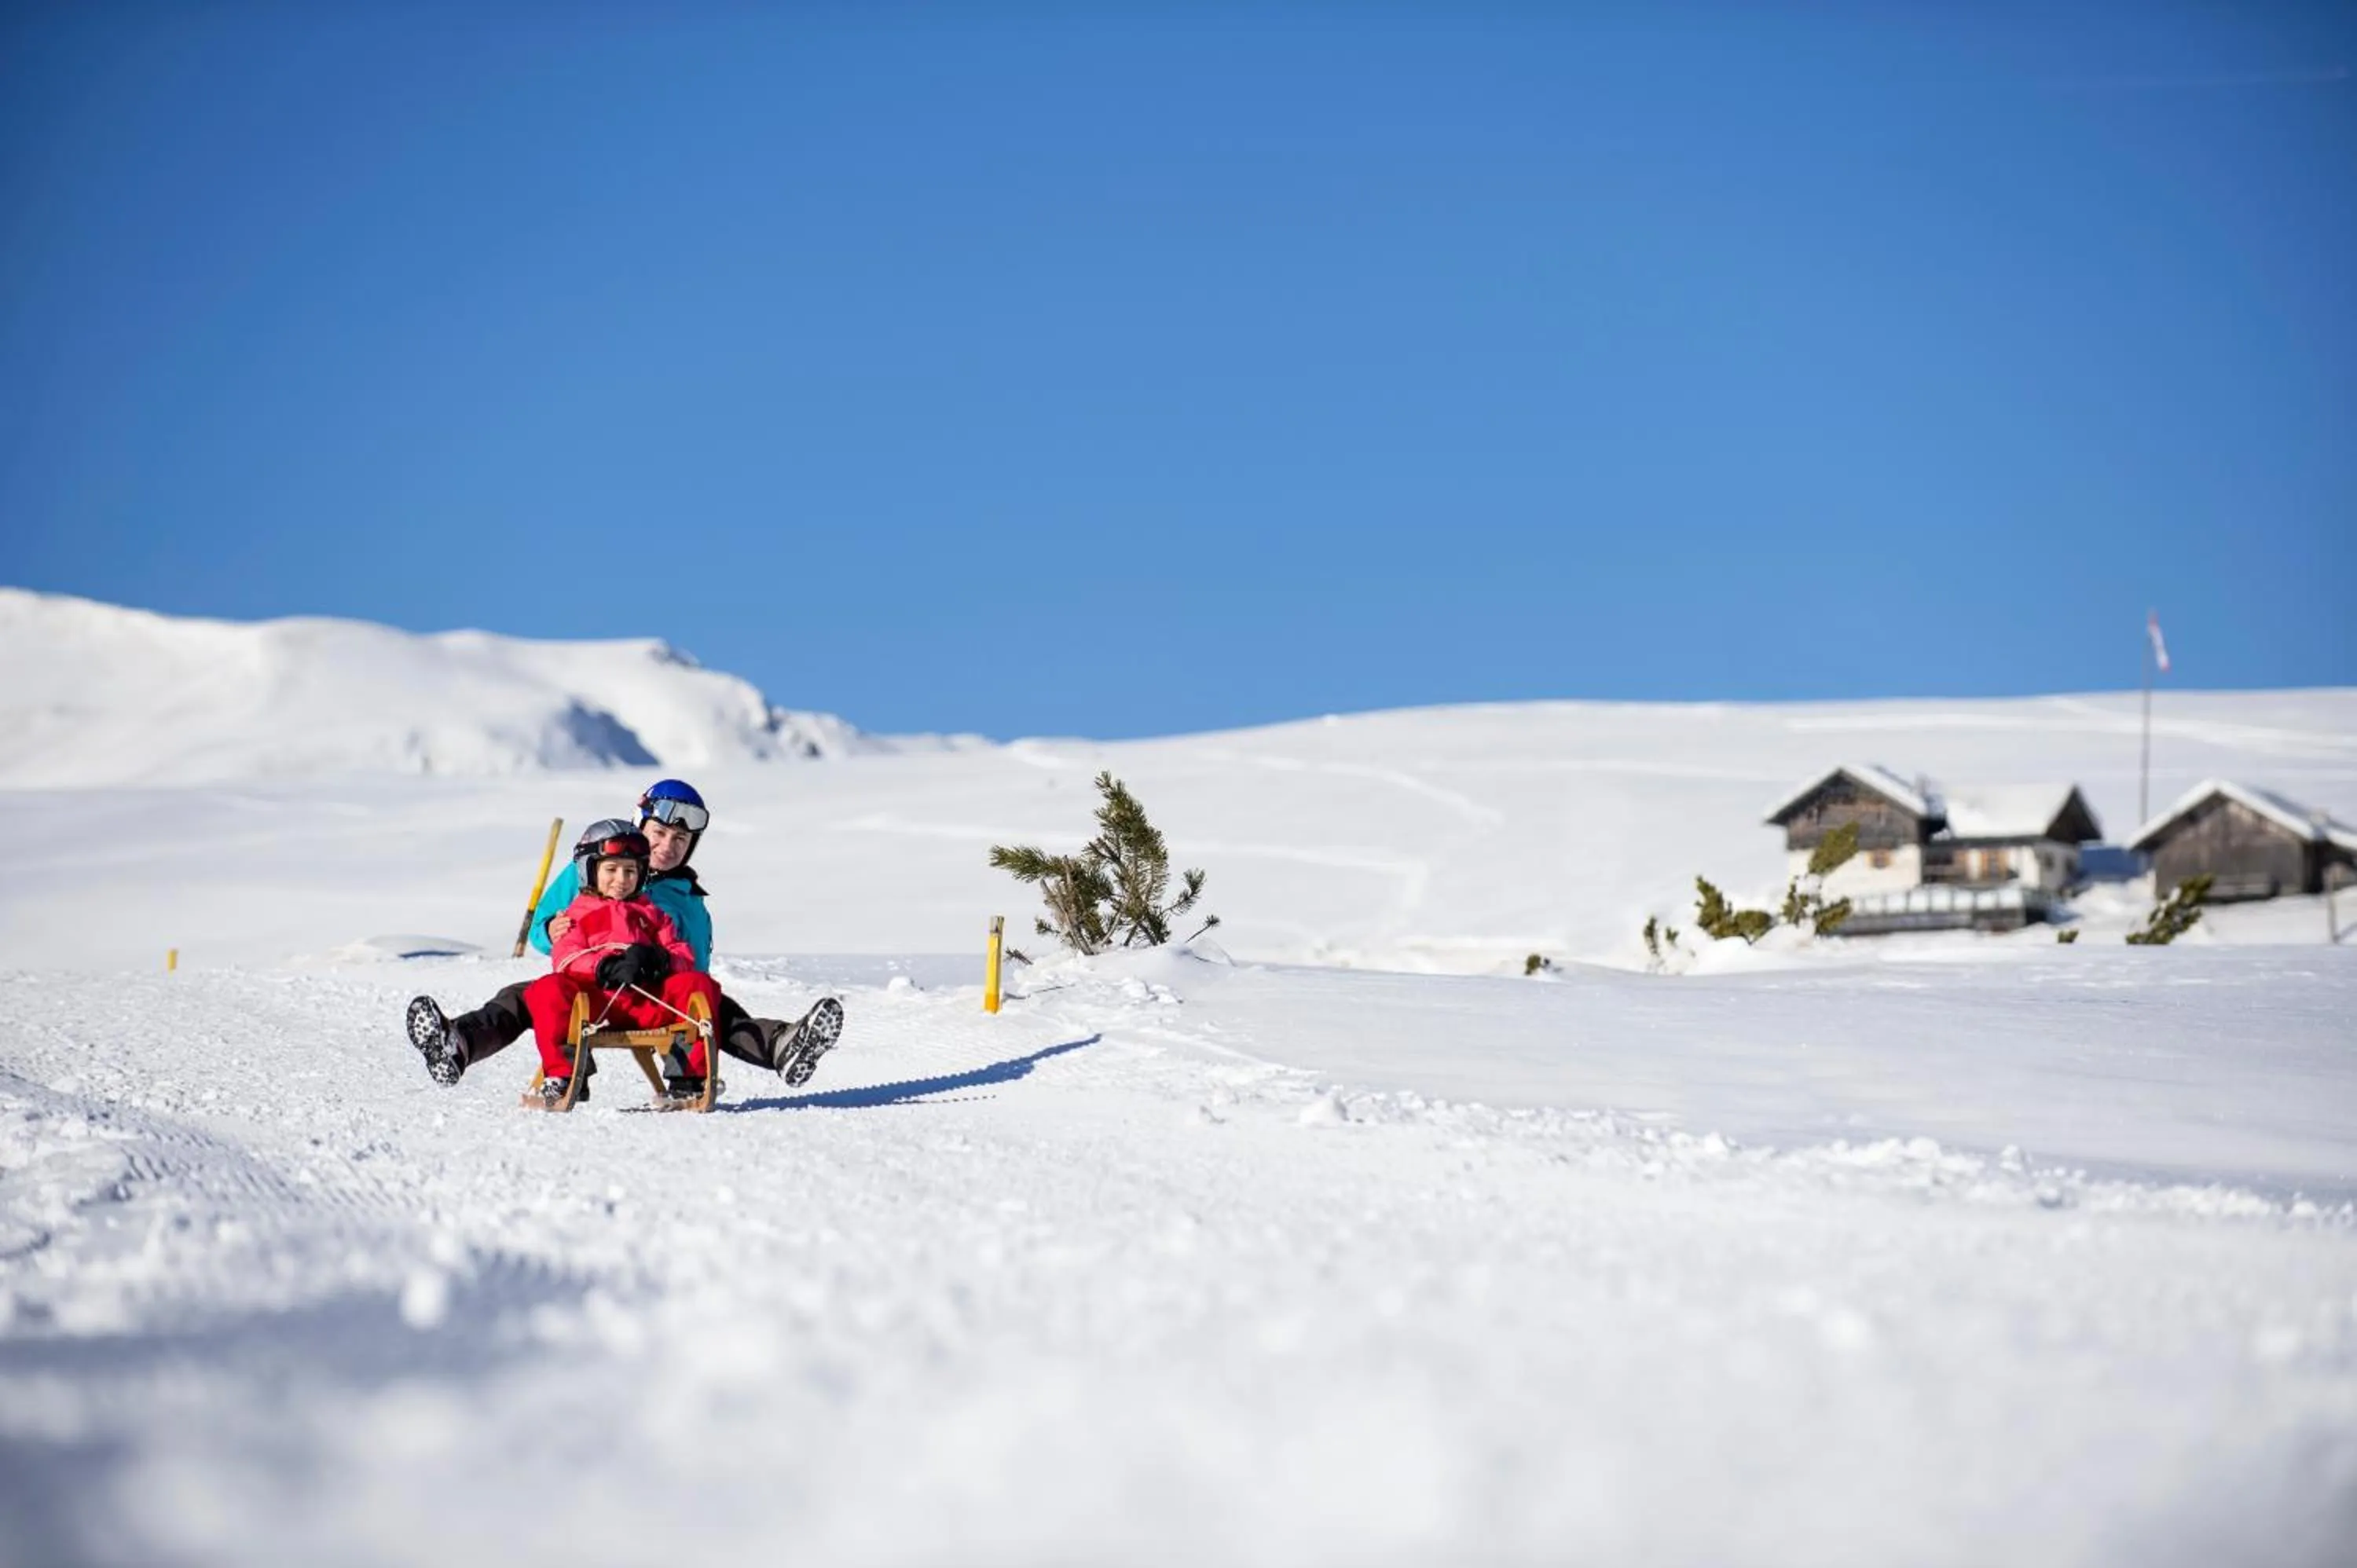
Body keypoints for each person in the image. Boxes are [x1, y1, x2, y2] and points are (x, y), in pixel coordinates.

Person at [407, 779, 841, 1090]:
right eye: (659, 833)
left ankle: (783, 1046)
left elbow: (695, 967)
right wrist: (550, 931)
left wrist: (666, 967)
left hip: (657, 994)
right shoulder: (596, 864)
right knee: (522, 996)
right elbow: (547, 926)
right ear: (640, 825)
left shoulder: (686, 897)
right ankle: (458, 1042)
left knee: (718, 1007)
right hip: (587, 985)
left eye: (680, 838)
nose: (668, 846)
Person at [525, 820, 717, 1106]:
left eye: (630, 871)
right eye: (611, 870)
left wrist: (660, 959)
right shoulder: (576, 914)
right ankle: (563, 1076)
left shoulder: (652, 914)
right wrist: (602, 966)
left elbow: (683, 954)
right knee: (548, 989)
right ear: (591, 870)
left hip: (647, 1003)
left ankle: (688, 1077)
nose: (621, 879)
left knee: (700, 984)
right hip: (593, 1007)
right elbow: (566, 958)